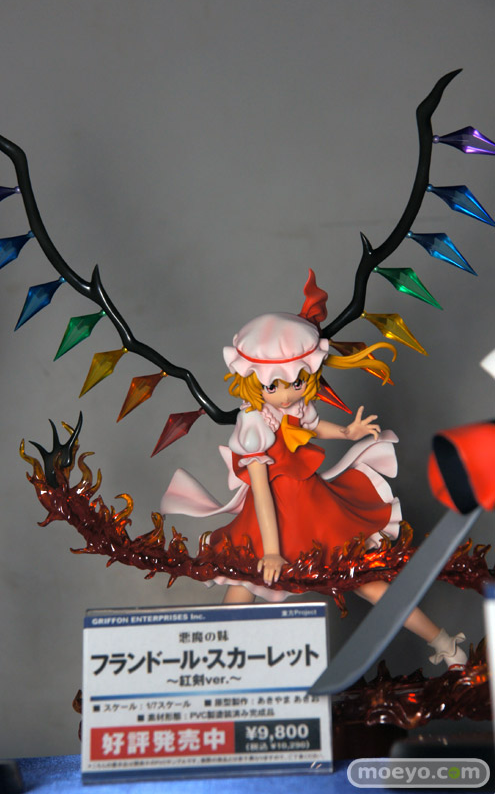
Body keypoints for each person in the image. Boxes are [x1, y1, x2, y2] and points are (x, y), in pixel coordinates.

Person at [161, 271, 467, 669]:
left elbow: (310, 425)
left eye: (297, 383)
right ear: (254, 382)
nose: (287, 394)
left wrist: (346, 431)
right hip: (272, 518)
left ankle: (445, 645)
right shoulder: (254, 424)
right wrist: (273, 551)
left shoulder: (295, 406)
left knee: (369, 582)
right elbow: (262, 490)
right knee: (242, 587)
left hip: (316, 506)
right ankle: (210, 668)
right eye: (273, 386)